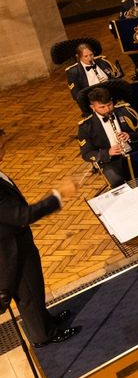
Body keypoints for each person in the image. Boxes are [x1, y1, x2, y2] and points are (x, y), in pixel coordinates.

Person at [0, 128, 80, 346]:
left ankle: (45, 320)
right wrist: (58, 196)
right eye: (1, 147)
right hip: (10, 250)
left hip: (17, 240)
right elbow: (21, 215)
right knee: (27, 293)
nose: (3, 151)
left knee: (34, 288)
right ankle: (44, 335)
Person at [78, 87, 138, 186]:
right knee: (117, 183)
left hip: (134, 153)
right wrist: (108, 152)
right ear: (92, 107)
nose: (107, 109)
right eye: (102, 107)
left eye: (109, 105)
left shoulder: (126, 111)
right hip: (110, 162)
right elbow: (86, 154)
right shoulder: (86, 126)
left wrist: (130, 136)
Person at [65, 42, 123, 115]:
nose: (90, 58)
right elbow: (76, 95)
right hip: (92, 104)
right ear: (78, 57)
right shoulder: (73, 72)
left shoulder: (102, 62)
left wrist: (108, 81)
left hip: (110, 99)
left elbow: (116, 79)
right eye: (86, 56)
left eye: (91, 55)